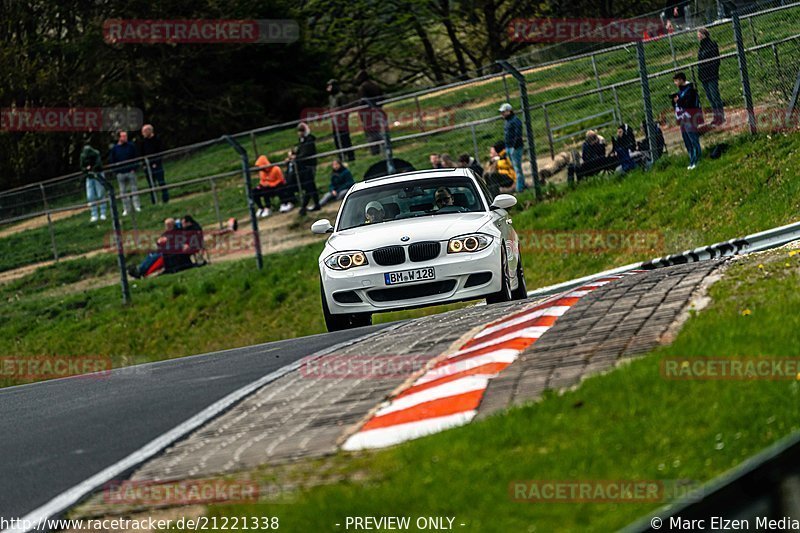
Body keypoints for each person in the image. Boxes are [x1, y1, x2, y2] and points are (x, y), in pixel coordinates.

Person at [673, 72, 704, 169]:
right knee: (687, 141)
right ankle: (692, 160)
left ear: (682, 80)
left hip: (690, 118)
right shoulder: (680, 92)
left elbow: (689, 104)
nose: (675, 83)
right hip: (683, 119)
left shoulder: (690, 90)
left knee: (693, 139)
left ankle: (698, 159)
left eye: (676, 80)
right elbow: (678, 106)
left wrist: (679, 101)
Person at [109, 130, 141, 216]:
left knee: (134, 189)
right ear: (119, 138)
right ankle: (126, 209)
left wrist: (134, 168)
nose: (125, 138)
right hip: (120, 173)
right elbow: (112, 160)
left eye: (126, 136)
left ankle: (137, 206)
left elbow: (135, 157)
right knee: (123, 191)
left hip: (130, 171)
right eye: (123, 136)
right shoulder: (115, 149)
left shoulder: (131, 146)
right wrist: (116, 171)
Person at [697, 28, 725, 125]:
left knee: (715, 96)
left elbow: (715, 61)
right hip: (704, 76)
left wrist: (713, 71)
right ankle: (715, 117)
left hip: (711, 75)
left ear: (704, 35)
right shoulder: (701, 48)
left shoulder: (712, 45)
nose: (698, 36)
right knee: (710, 98)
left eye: (699, 34)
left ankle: (721, 117)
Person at [355, 70, 385, 155]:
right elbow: (382, 96)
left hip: (367, 112)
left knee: (370, 131)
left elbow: (363, 100)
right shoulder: (375, 84)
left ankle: (375, 150)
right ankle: (383, 146)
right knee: (378, 128)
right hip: (377, 109)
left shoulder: (363, 87)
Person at [499, 103, 526, 192]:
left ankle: (519, 188)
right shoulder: (507, 121)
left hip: (515, 148)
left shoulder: (515, 121)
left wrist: (514, 147)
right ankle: (521, 185)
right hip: (509, 147)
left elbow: (518, 135)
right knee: (515, 168)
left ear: (509, 111)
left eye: (503, 112)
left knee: (517, 168)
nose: (502, 114)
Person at [327, 79, 355, 161]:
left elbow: (345, 109)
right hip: (334, 121)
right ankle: (341, 156)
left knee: (345, 139)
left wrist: (342, 119)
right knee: (337, 140)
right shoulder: (331, 97)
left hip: (341, 121)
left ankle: (350, 156)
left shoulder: (341, 96)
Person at [139, 124, 169, 203]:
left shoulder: (157, 140)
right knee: (151, 184)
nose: (143, 134)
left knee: (161, 182)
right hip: (147, 166)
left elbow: (160, 151)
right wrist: (144, 164)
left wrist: (156, 162)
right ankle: (154, 201)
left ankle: (165, 198)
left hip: (157, 165)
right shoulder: (143, 142)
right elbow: (142, 154)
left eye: (144, 132)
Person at [295, 122, 320, 215]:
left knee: (309, 185)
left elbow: (306, 153)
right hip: (304, 166)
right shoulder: (302, 140)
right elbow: (300, 152)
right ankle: (315, 204)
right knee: (310, 186)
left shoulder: (309, 140)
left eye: (301, 131)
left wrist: (296, 157)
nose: (300, 133)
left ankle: (304, 207)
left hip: (309, 165)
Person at [80, 141, 107, 222]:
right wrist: (86, 169)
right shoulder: (82, 156)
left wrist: (91, 168)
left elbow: (98, 164)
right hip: (89, 177)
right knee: (90, 196)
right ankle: (94, 214)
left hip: (98, 174)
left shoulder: (96, 153)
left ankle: (103, 213)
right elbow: (82, 167)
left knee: (100, 194)